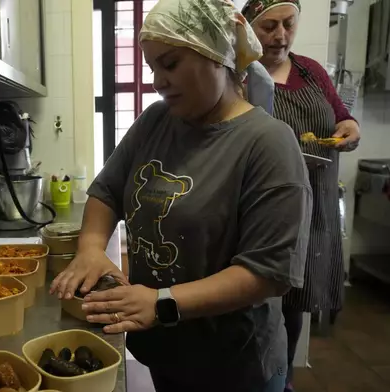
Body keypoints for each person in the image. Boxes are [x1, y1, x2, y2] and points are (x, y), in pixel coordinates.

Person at [50, 0, 312, 391]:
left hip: (234, 365)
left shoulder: (268, 143)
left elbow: (268, 273)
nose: (157, 80)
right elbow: (108, 190)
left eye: (170, 64)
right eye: (152, 67)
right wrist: (91, 248)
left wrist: (162, 302)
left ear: (216, 55)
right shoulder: (156, 121)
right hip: (164, 352)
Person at [241, 2, 361, 391]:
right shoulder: (241, 77)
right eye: (269, 27)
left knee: (296, 299)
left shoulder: (311, 70)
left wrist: (349, 127)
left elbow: (343, 117)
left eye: (288, 25)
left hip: (318, 202)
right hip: (266, 204)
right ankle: (250, 377)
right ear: (248, 29)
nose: (280, 36)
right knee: (258, 296)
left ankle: (283, 377)